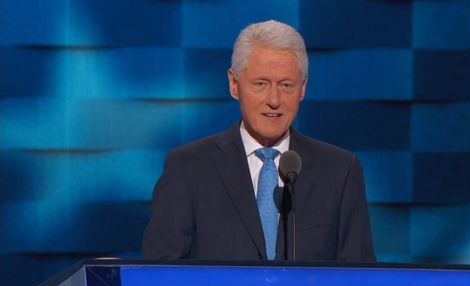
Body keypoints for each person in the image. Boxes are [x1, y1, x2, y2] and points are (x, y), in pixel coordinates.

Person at [143, 20, 375, 262]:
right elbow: (160, 273)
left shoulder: (340, 171)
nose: (274, 100)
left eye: (286, 85)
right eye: (261, 84)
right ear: (234, 84)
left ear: (303, 88)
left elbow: (360, 277)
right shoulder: (188, 168)